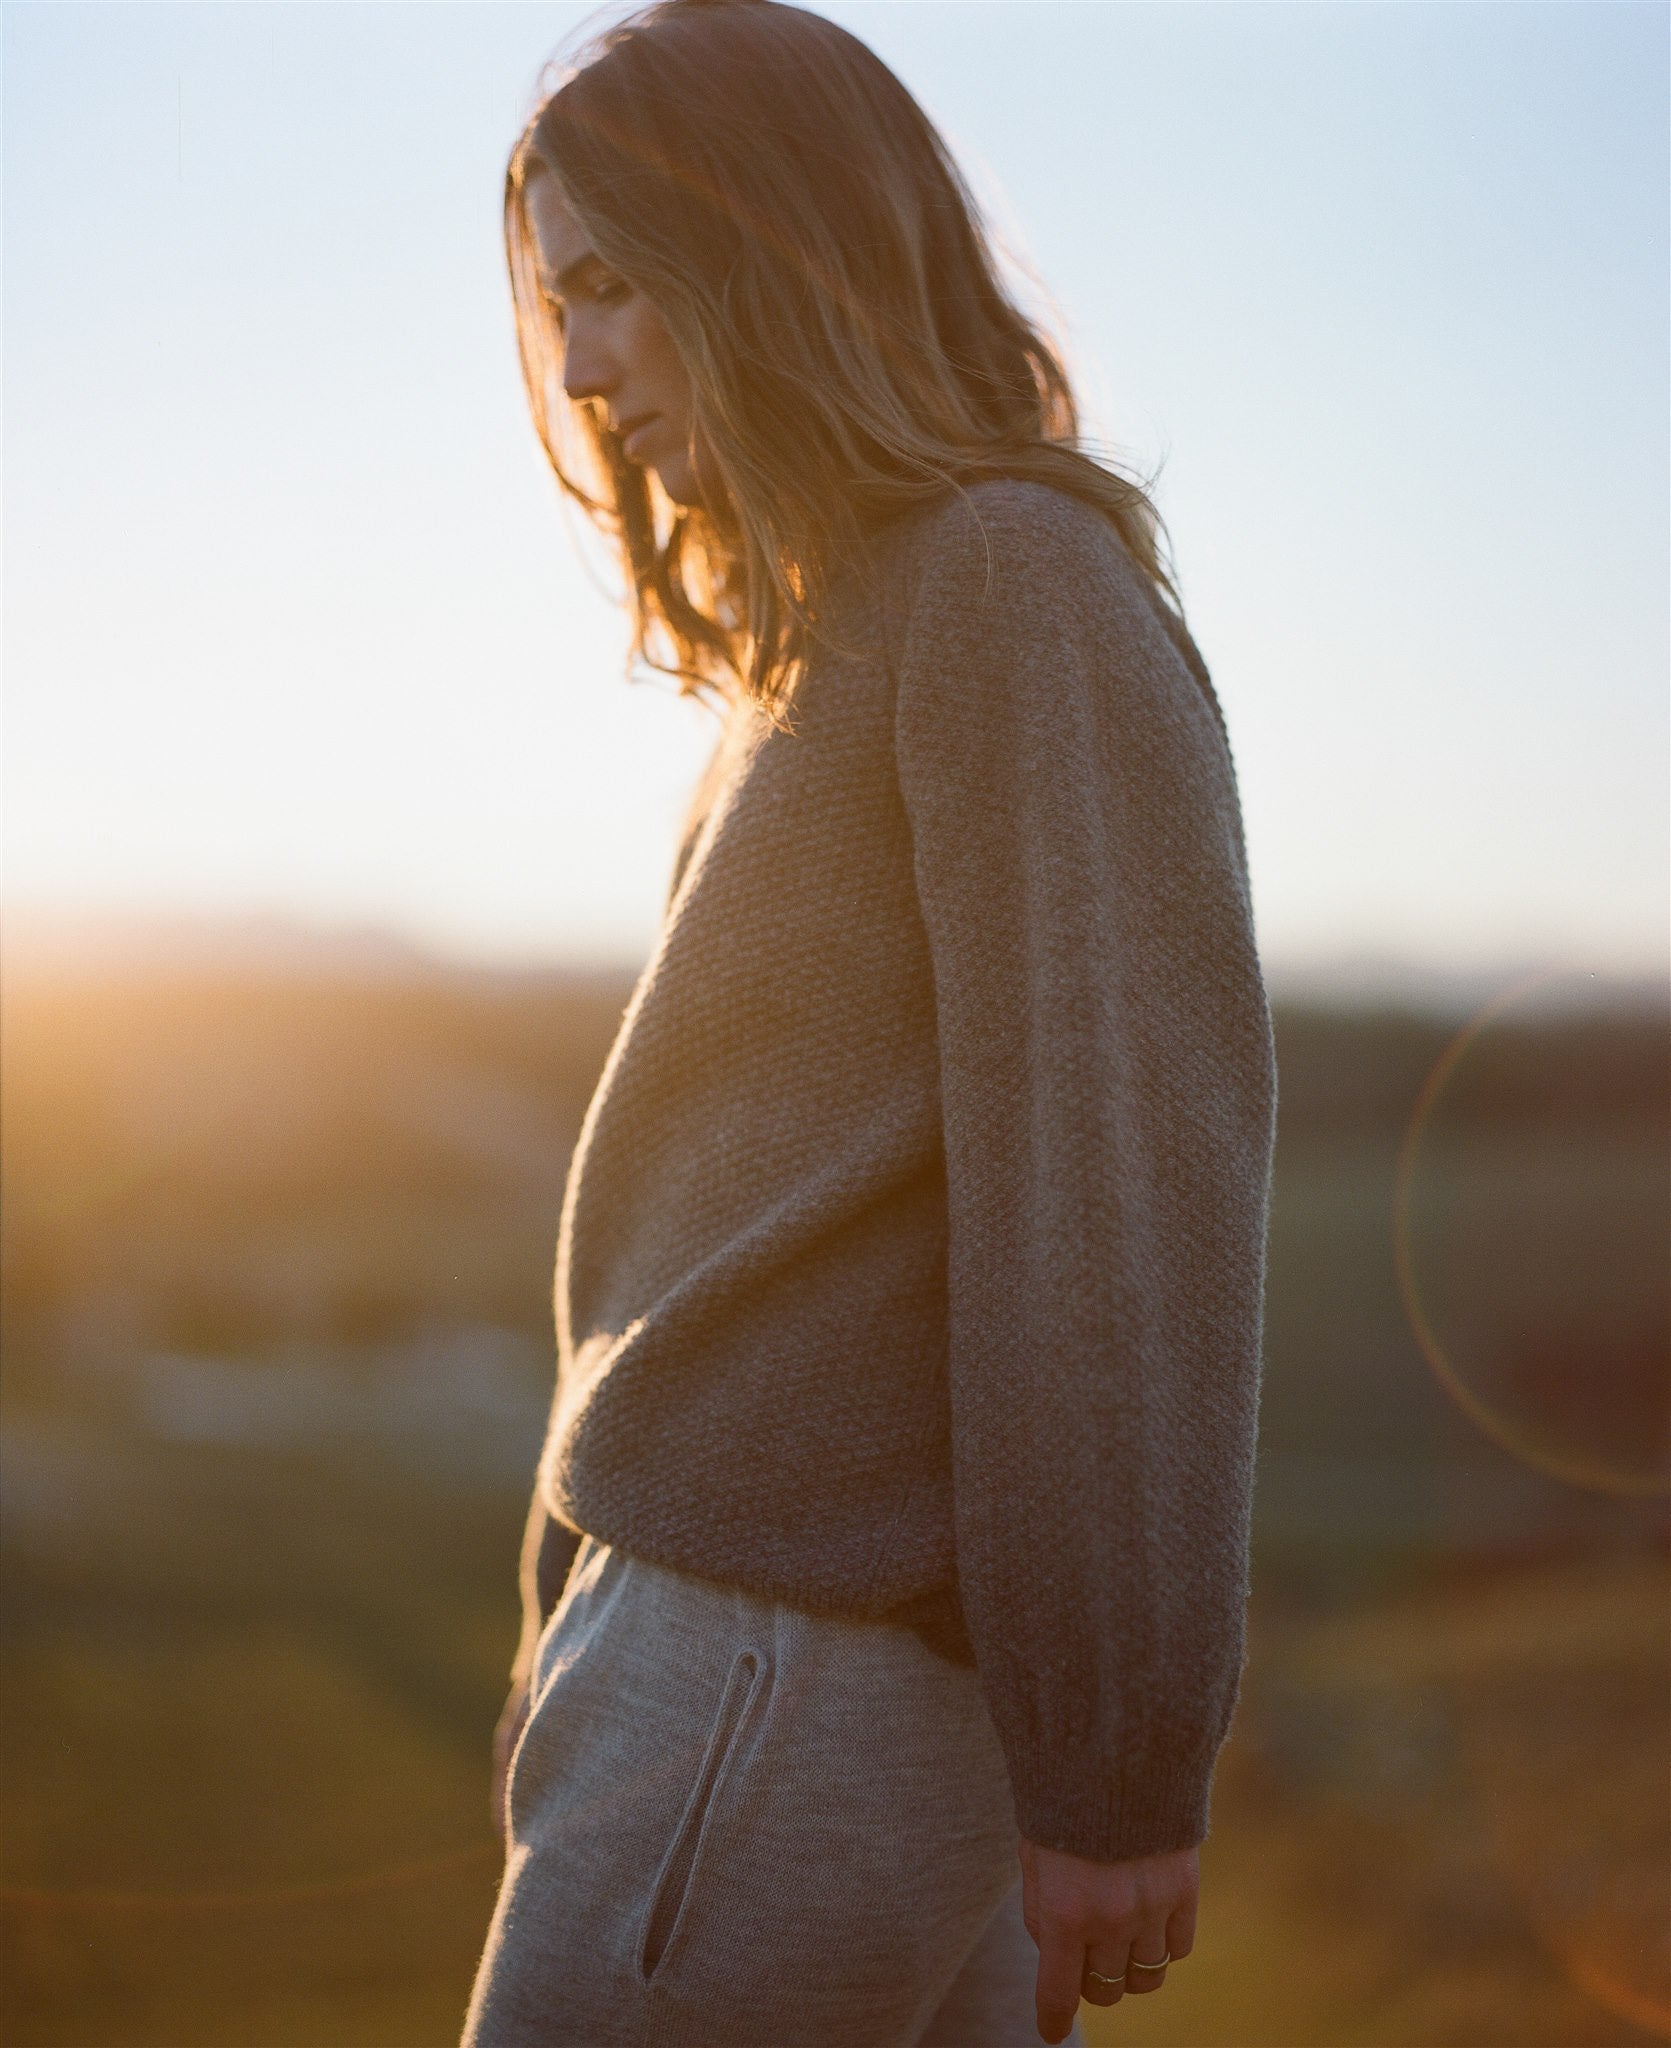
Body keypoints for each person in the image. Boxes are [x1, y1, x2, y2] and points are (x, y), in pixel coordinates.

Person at [463, 3, 1277, 2043]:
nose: (573, 365)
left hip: (792, 1676)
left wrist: (1113, 1756)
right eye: (561, 299)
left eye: (615, 285)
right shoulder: (826, 641)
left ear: (781, 249)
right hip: (726, 1664)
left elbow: (1105, 1192)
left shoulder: (1003, 584)